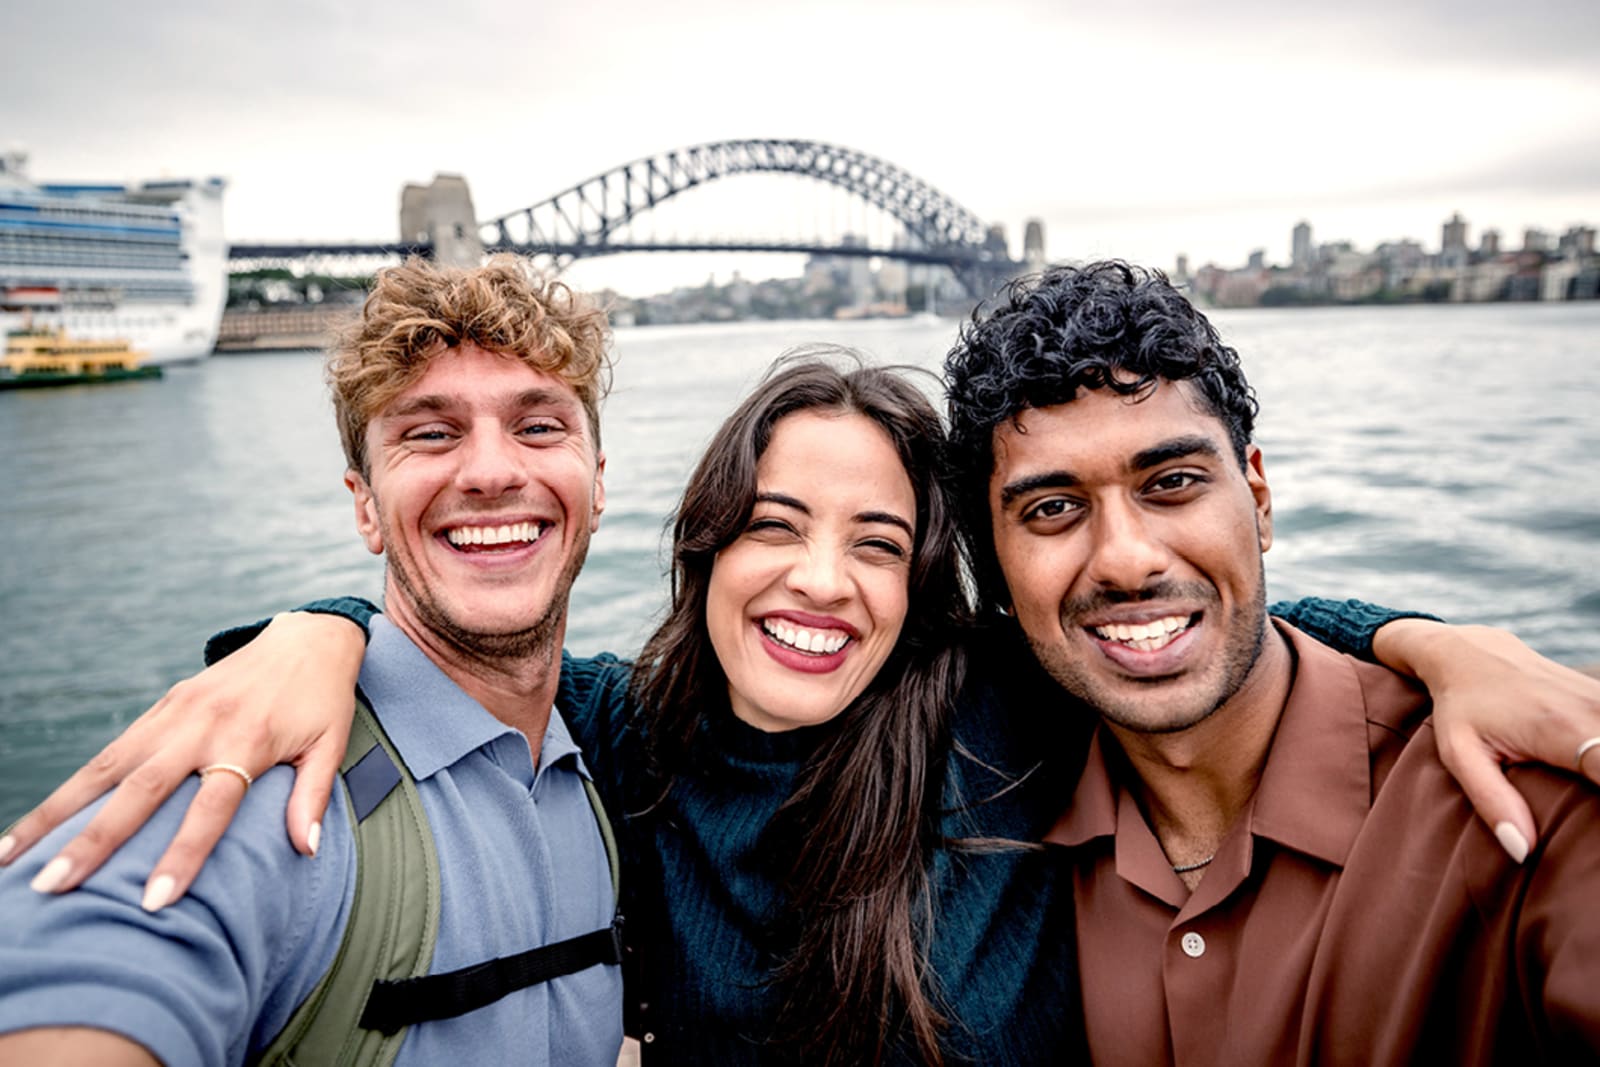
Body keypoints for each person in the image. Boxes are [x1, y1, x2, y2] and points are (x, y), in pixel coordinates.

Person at [7, 272, 1600, 1062]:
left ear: (930, 587)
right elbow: (459, 643)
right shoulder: (623, 730)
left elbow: (1174, 616)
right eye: (773, 523)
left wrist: (1429, 638)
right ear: (702, 545)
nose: (822, 578)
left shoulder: (1007, 706)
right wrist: (313, 627)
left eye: (882, 540)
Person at [941, 259, 1600, 1064]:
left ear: (1258, 501)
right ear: (997, 566)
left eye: (1172, 481)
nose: (1125, 559)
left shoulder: (1524, 795)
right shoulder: (992, 825)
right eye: (1052, 508)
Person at [0, 257, 625, 1065]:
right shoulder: (273, 780)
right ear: (365, 504)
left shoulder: (603, 760)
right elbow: (85, 968)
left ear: (598, 484)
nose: (492, 471)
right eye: (430, 432)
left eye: (540, 426)